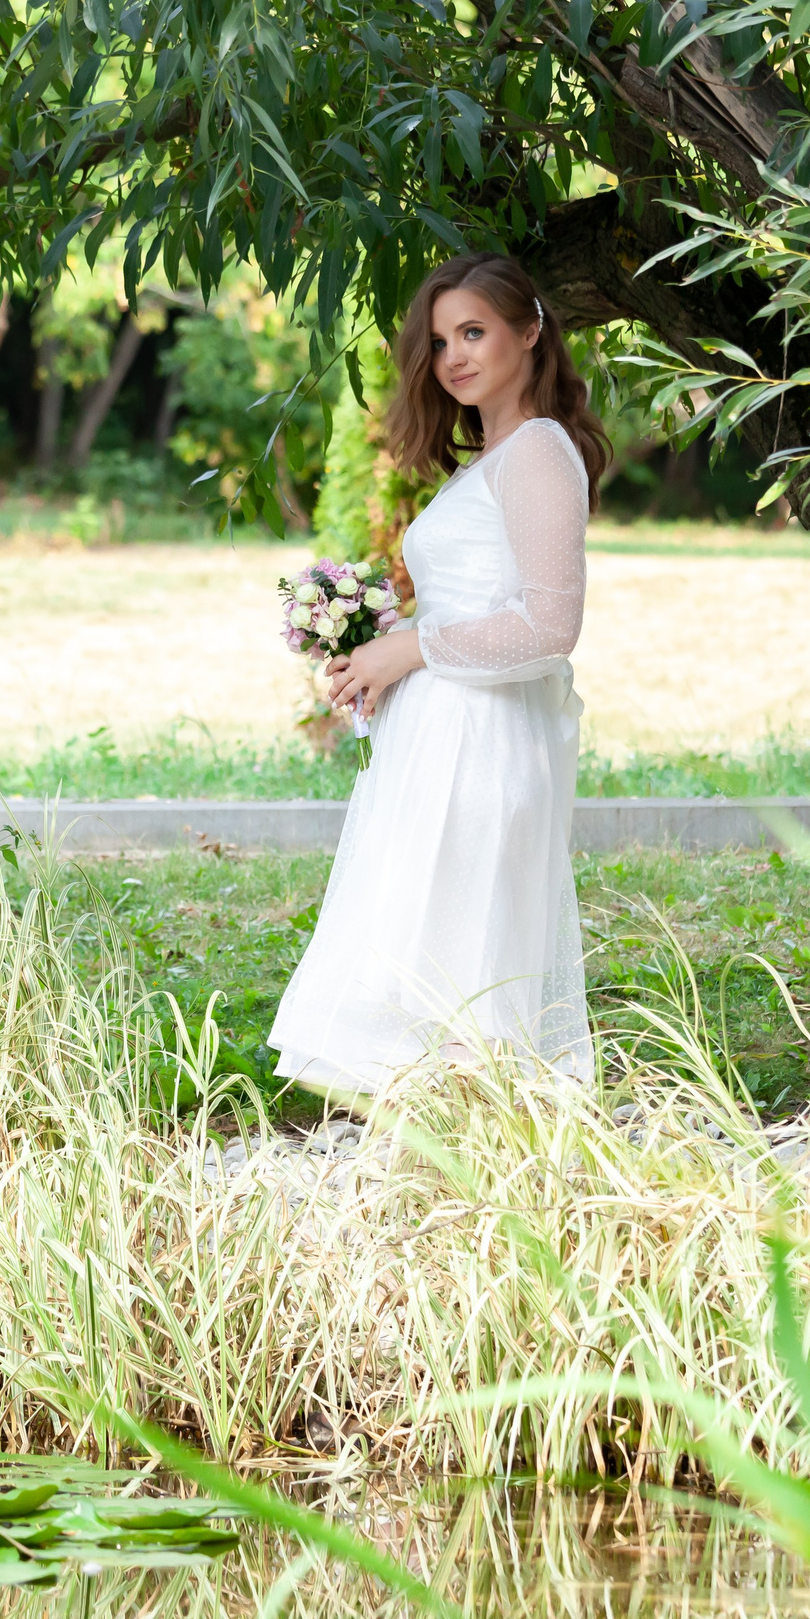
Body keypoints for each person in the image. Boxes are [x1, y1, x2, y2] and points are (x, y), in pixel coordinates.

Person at [267, 252, 613, 1092]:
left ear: (530, 332)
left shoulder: (535, 452)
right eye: (440, 339)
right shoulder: (492, 458)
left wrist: (411, 647)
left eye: (474, 331)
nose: (454, 355)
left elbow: (550, 625)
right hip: (448, 742)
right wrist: (384, 649)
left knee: (468, 988)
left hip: (485, 748)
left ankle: (485, 1178)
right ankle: (443, 1179)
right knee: (433, 985)